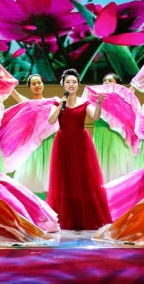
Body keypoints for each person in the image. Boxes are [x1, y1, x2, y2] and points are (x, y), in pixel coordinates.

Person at [46, 68, 112, 230]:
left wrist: (99, 104)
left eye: (74, 82)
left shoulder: (84, 103)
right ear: (62, 85)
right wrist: (60, 104)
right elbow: (51, 120)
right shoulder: (57, 102)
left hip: (81, 144)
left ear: (78, 85)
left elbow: (95, 117)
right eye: (68, 82)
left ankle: (85, 217)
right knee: (64, 179)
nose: (71, 84)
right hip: (63, 144)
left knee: (82, 179)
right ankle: (64, 217)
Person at [0, 74, 59, 196]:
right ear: (29, 87)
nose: (37, 85)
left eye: (39, 83)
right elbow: (14, 93)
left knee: (52, 171)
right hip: (34, 143)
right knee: (34, 173)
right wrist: (5, 80)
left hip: (50, 140)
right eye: (34, 84)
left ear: (43, 84)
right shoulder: (28, 104)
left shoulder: (53, 102)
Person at [89, 73, 137, 183]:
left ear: (117, 85)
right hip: (100, 137)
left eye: (109, 80)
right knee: (100, 167)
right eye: (104, 80)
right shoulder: (95, 99)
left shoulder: (122, 100)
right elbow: (94, 117)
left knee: (115, 167)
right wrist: (99, 103)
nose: (106, 82)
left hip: (116, 138)